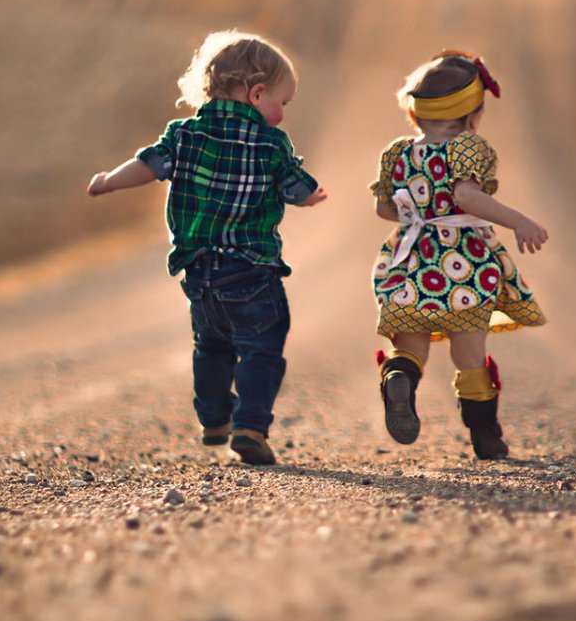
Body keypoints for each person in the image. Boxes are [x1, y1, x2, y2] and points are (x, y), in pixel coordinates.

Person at [88, 31, 327, 464]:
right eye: (282, 103)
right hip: (253, 271)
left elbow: (146, 166)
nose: (281, 115)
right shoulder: (272, 144)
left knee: (211, 346)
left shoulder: (184, 135)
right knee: (261, 347)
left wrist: (107, 181)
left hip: (199, 274)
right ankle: (250, 425)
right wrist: (309, 195)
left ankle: (215, 418)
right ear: (256, 94)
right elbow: (294, 187)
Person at [370, 49, 547, 459]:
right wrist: (517, 220)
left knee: (410, 346)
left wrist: (418, 210)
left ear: (414, 115)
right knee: (469, 355)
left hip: (410, 260)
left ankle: (398, 376)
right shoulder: (469, 148)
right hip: (462, 265)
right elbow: (467, 195)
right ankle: (486, 438)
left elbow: (383, 209)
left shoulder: (398, 153)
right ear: (473, 115)